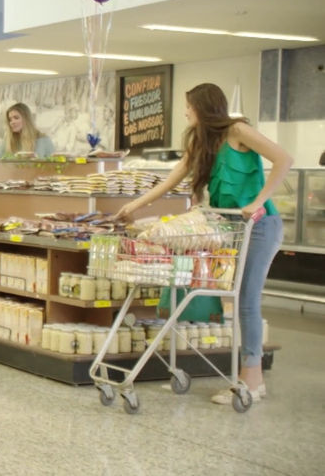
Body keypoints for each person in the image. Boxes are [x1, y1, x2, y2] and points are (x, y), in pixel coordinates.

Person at [116, 83, 292, 405]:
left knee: (246, 301)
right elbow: (172, 180)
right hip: (227, 227)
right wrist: (134, 206)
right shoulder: (202, 141)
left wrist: (259, 200)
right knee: (231, 298)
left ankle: (251, 381)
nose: (185, 113)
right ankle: (247, 377)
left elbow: (284, 159)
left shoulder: (238, 130)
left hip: (260, 225)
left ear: (202, 107)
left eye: (188, 107)